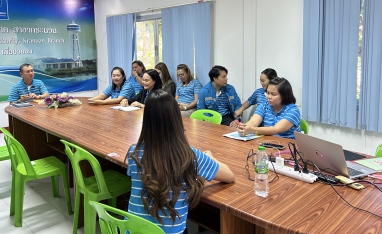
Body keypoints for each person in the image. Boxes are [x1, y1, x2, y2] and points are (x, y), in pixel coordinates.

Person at [126, 90, 235, 233]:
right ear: (176, 119)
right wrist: (210, 158)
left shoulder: (134, 152)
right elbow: (229, 176)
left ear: (146, 120)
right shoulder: (189, 155)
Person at [234, 77, 301, 139]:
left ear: (284, 96)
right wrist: (244, 128)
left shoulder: (293, 110)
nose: (269, 96)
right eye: (267, 93)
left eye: (273, 94)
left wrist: (251, 130)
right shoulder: (264, 105)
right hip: (269, 142)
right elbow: (253, 122)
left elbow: (276, 129)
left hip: (288, 146)